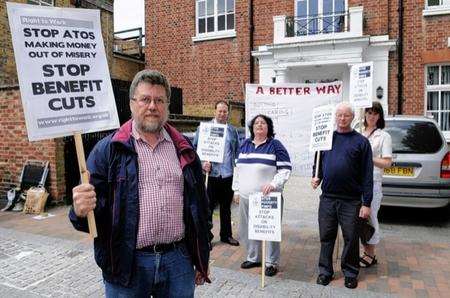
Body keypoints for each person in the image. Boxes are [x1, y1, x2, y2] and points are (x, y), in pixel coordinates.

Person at [69, 70, 210, 297]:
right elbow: (89, 220)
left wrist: (202, 256)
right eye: (145, 99)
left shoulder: (184, 149)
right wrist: (79, 211)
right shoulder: (108, 150)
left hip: (178, 262)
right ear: (132, 103)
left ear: (167, 105)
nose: (152, 106)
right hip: (127, 264)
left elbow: (200, 208)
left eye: (159, 100)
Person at [311, 102, 373, 289]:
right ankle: (325, 272)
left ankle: (350, 273)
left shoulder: (361, 142)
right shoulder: (325, 139)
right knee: (326, 236)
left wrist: (366, 203)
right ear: (335, 117)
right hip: (328, 198)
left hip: (351, 200)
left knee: (351, 238)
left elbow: (367, 174)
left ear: (352, 118)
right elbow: (319, 162)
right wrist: (317, 177)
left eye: (346, 115)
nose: (342, 118)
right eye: (339, 115)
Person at [232, 114, 291, 277]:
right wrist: (236, 190)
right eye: (256, 123)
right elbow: (237, 169)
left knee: (269, 230)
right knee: (248, 229)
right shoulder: (244, 144)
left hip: (268, 198)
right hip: (245, 196)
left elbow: (285, 169)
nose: (259, 125)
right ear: (252, 127)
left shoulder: (275, 145)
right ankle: (254, 257)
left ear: (268, 127)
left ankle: (271, 262)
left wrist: (273, 184)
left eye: (263, 123)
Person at [193, 101, 240, 246]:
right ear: (214, 111)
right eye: (220, 111)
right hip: (211, 175)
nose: (222, 114)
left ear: (228, 113)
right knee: (208, 207)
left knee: (226, 207)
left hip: (227, 175)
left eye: (225, 111)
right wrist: (202, 163)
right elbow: (194, 149)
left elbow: (237, 151)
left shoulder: (232, 130)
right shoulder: (204, 129)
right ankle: (207, 236)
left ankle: (226, 235)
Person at [360, 101, 392, 268]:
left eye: (375, 113)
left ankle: (370, 255)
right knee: (359, 219)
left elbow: (387, 163)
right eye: (369, 113)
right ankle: (364, 251)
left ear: (379, 116)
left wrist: (369, 159)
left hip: (372, 182)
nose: (372, 116)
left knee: (370, 218)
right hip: (356, 183)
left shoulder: (384, 136)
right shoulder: (359, 133)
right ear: (364, 114)